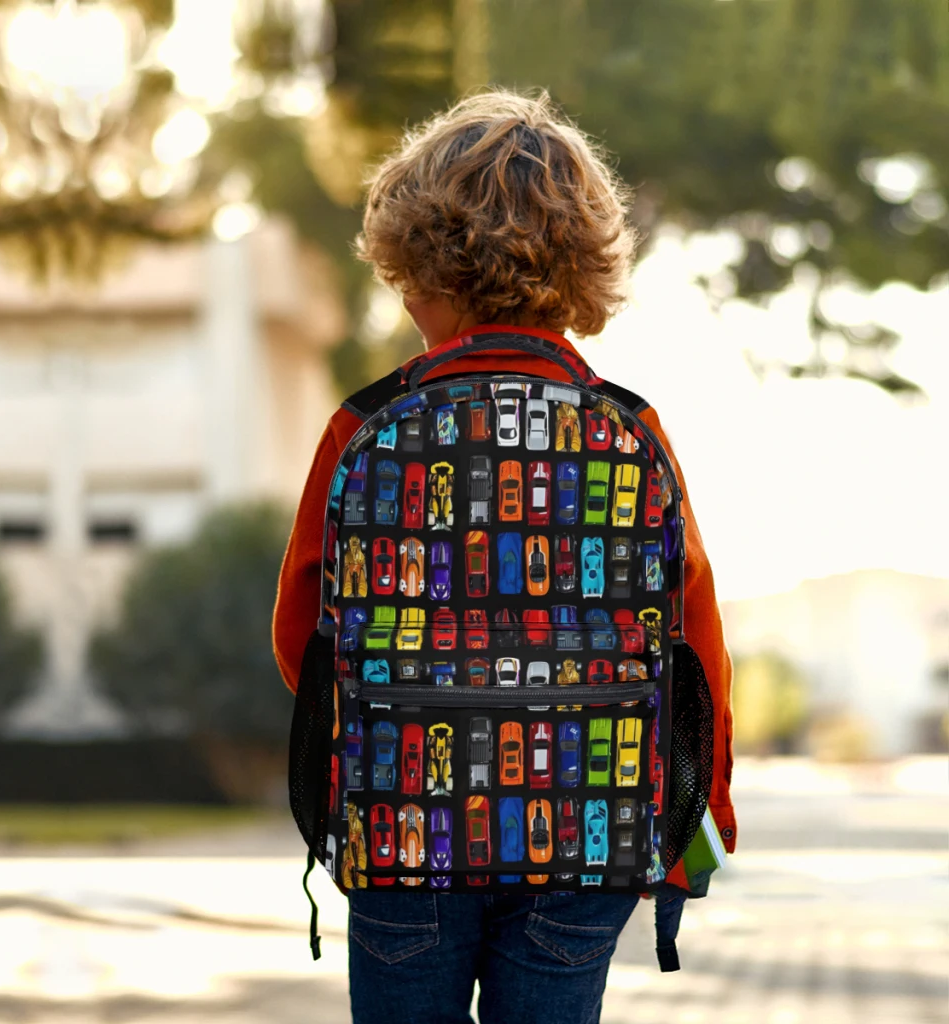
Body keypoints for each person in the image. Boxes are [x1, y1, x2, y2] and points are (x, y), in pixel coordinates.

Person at [274, 88, 735, 1024]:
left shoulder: (365, 427)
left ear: (423, 269)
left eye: (406, 278)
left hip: (405, 830)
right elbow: (694, 645)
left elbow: (301, 636)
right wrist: (696, 814)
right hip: (585, 836)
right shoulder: (631, 429)